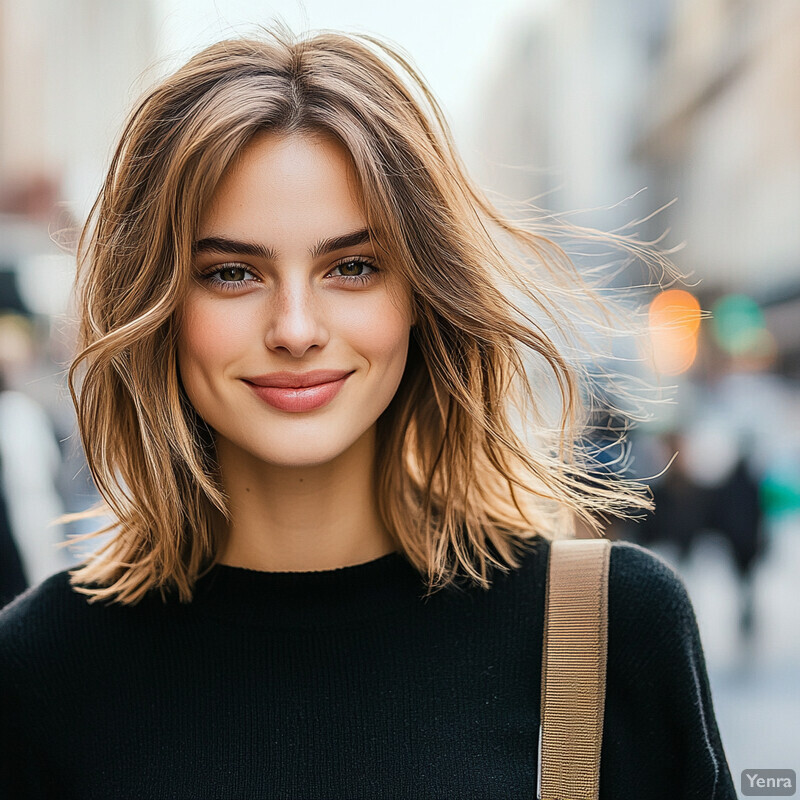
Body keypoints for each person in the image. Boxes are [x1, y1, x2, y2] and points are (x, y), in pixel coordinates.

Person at [0, 26, 736, 798]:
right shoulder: (41, 671)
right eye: (231, 273)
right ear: (159, 306)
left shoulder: (606, 632)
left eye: (351, 267)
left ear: (420, 293)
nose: (294, 328)